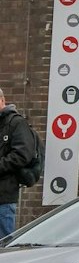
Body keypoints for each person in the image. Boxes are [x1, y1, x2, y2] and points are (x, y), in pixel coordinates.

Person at [0, 88, 36, 238]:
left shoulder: (16, 123)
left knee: (4, 242)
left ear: (2, 100)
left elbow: (22, 155)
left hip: (4, 195)